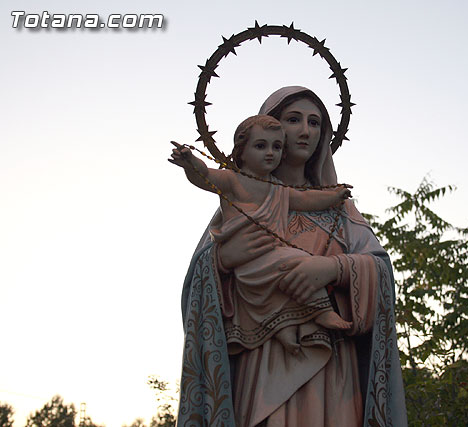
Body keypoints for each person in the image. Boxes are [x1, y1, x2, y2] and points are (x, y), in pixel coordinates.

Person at [175, 86, 407, 427]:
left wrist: (333, 268)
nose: (305, 131)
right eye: (293, 119)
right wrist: (222, 261)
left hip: (332, 367)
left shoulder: (341, 211)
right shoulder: (243, 202)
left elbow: (380, 268)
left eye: (314, 122)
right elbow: (198, 284)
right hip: (263, 360)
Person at [169, 114, 352, 356]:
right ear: (242, 151)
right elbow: (205, 175)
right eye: (260, 146)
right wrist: (190, 162)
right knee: (300, 261)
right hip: (248, 260)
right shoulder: (232, 180)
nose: (270, 153)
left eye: (277, 147)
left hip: (271, 255)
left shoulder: (277, 189)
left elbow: (306, 199)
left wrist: (334, 196)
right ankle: (322, 310)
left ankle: (282, 328)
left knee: (287, 279)